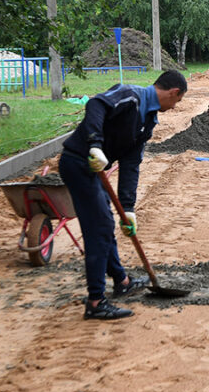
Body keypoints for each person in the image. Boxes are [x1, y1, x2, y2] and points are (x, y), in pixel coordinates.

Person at [59, 70, 187, 320]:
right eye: (177, 102)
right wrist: (95, 144)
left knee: (106, 221)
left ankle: (122, 281)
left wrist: (128, 208)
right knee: (100, 227)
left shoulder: (147, 121)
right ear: (174, 93)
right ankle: (96, 301)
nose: (173, 108)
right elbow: (96, 104)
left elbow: (130, 164)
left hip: (94, 171)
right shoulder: (130, 96)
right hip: (78, 162)